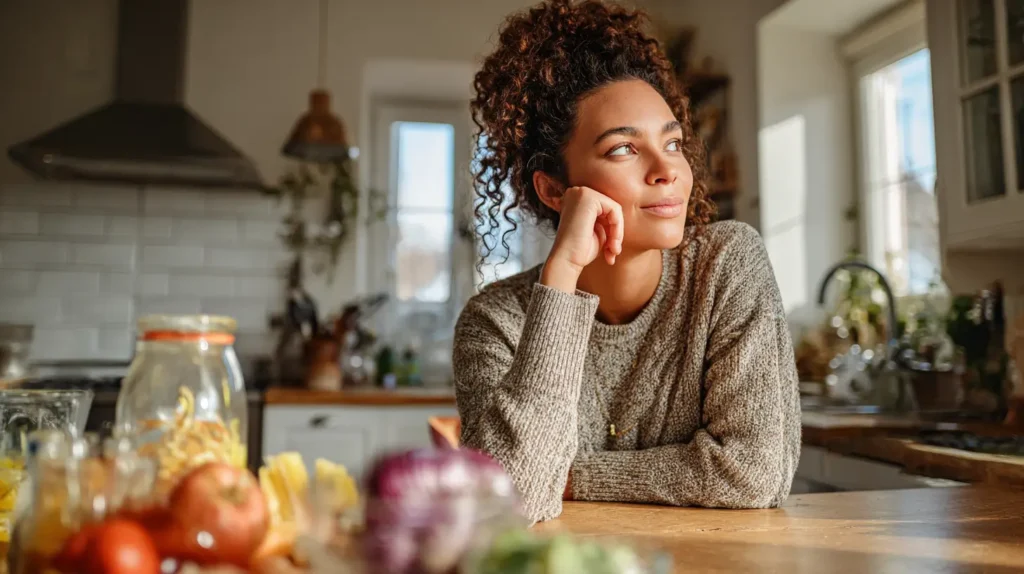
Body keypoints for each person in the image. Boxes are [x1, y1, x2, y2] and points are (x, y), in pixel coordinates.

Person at [453, 0, 801, 523]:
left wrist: (573, 475)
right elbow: (509, 500)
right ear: (552, 189)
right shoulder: (494, 323)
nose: (667, 170)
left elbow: (754, 471)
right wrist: (562, 277)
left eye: (673, 142)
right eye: (623, 149)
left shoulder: (728, 263)